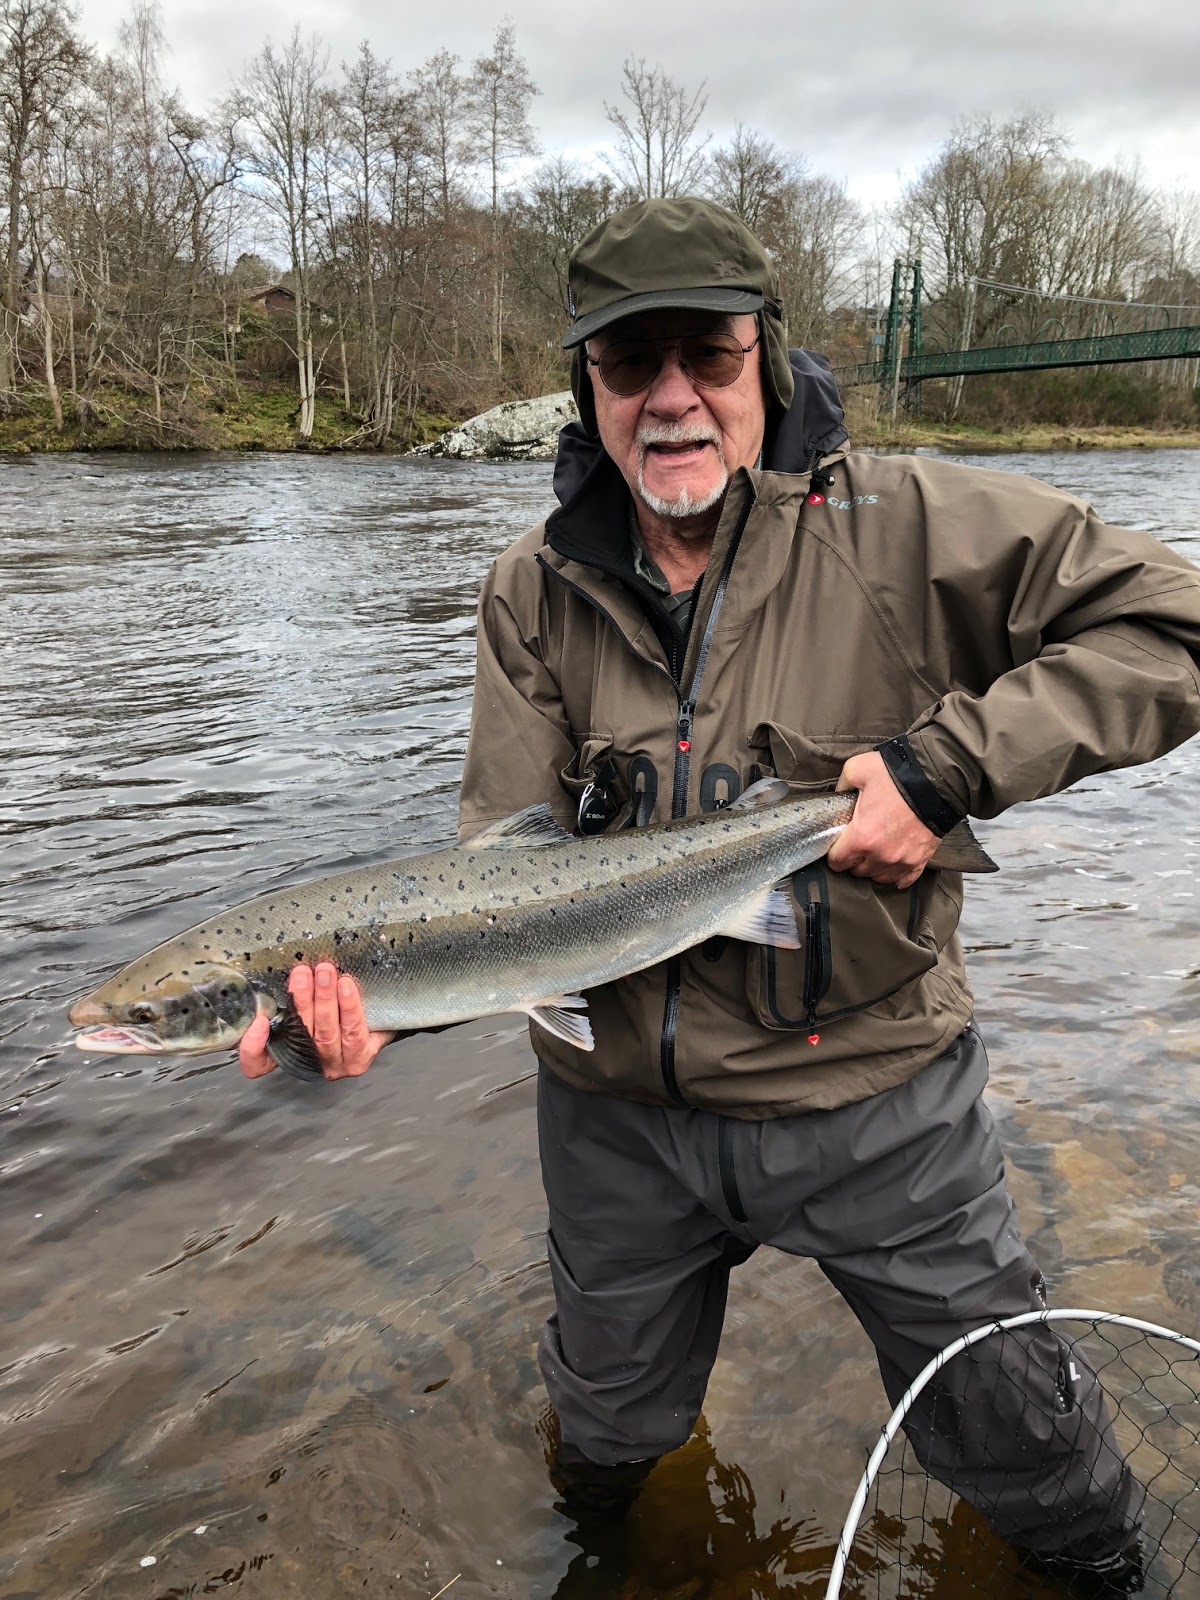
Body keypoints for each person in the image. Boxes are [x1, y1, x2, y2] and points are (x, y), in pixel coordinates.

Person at [240, 198, 1200, 1594]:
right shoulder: (531, 590)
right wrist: (371, 1006)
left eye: (708, 353)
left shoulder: (913, 523)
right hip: (617, 1120)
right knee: (609, 1447)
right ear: (589, 385)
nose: (672, 396)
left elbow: (1173, 629)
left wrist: (945, 771)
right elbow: (496, 868)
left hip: (874, 1095)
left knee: (1022, 1447)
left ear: (767, 357)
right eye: (632, 364)